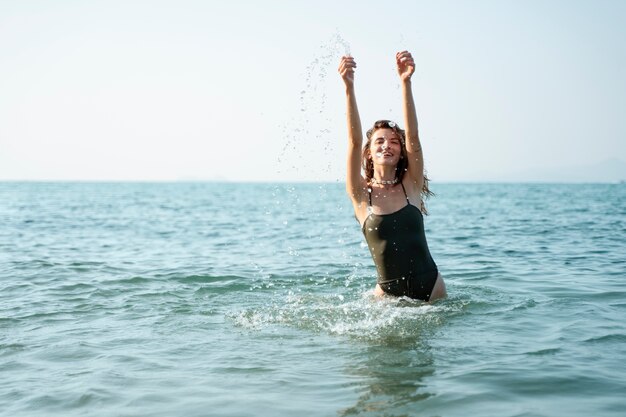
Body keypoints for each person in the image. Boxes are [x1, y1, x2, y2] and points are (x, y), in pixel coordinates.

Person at [338, 51, 447, 302]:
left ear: (401, 152)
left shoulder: (411, 185)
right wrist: (348, 87)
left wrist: (406, 82)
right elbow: (354, 141)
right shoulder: (360, 194)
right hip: (388, 297)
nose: (386, 146)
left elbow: (415, 138)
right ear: (369, 152)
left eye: (394, 142)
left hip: (431, 290)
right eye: (379, 141)